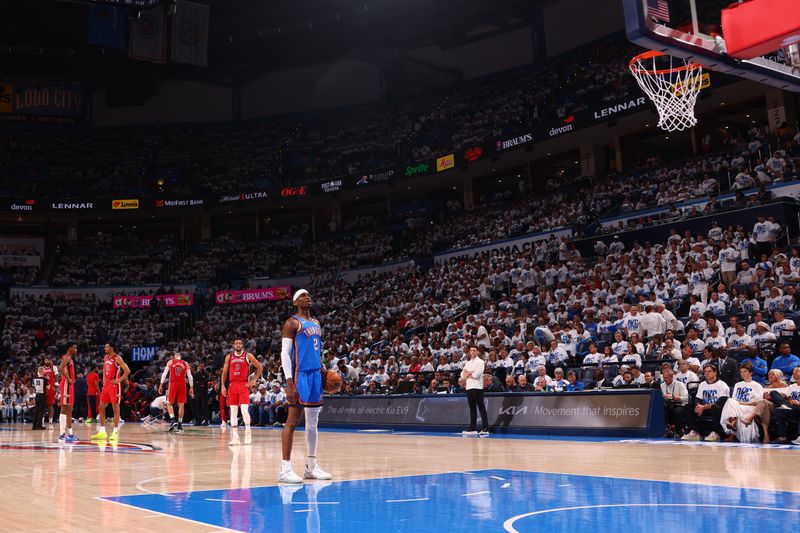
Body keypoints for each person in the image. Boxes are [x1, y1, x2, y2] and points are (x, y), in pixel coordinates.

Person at [280, 289, 332, 483]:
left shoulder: (317, 323)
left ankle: (311, 467)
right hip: (299, 375)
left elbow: (315, 348)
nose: (307, 297)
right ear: (295, 302)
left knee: (313, 422)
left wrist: (322, 366)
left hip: (315, 375)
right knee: (292, 421)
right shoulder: (292, 323)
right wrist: (289, 382)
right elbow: (285, 354)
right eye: (302, 295)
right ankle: (285, 469)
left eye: (309, 295)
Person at [222, 339, 263, 446]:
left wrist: (254, 380)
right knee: (233, 412)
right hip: (232, 385)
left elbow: (259, 367)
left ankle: (248, 431)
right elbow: (225, 372)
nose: (238, 345)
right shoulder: (229, 357)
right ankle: (235, 438)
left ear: (242, 345)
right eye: (236, 343)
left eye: (240, 343)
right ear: (233, 345)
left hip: (243, 384)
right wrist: (223, 386)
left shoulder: (248, 355)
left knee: (244, 410)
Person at [91, 342, 131, 442]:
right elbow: (105, 369)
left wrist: (119, 380)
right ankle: (102, 431)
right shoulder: (106, 357)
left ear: (112, 348)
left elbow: (127, 371)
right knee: (101, 407)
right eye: (104, 346)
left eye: (107, 347)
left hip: (114, 386)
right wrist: (104, 378)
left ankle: (115, 432)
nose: (105, 348)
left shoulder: (117, 358)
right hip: (106, 385)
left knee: (115, 408)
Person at [682, 364, 730, 441]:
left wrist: (704, 407)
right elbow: (697, 399)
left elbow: (721, 402)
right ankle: (695, 432)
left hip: (718, 410)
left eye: (709, 371)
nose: (707, 373)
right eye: (705, 372)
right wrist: (699, 407)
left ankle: (715, 433)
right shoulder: (702, 384)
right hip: (704, 408)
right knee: (688, 406)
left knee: (715, 407)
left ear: (715, 373)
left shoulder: (722, 384)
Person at [719, 362, 764, 442]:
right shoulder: (738, 385)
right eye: (741, 372)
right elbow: (733, 400)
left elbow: (759, 402)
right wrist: (738, 403)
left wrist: (744, 403)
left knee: (733, 405)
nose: (742, 374)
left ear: (751, 373)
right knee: (730, 401)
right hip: (737, 405)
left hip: (750, 407)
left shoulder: (757, 385)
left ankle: (732, 431)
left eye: (745, 371)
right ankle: (732, 422)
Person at [159, 352, 195, 433]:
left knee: (169, 403)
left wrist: (161, 384)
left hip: (173, 384)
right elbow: (190, 376)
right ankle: (180, 424)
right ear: (180, 357)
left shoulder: (171, 362)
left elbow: (164, 374)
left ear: (175, 357)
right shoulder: (185, 363)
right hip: (182, 384)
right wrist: (191, 387)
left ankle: (172, 420)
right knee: (181, 404)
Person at [461, 344, 490, 435]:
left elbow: (476, 375)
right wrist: (470, 373)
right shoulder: (468, 362)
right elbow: (462, 375)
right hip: (469, 387)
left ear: (477, 351)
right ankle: (472, 428)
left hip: (477, 387)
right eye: (471, 350)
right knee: (472, 408)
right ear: (469, 352)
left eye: (474, 350)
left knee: (481, 407)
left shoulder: (480, 362)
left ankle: (485, 428)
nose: (472, 352)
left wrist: (468, 374)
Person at [57, 344, 78, 443]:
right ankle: (62, 434)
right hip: (66, 384)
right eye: (74, 347)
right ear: (69, 348)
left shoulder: (69, 358)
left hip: (69, 385)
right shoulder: (67, 357)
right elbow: (60, 368)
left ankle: (70, 433)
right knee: (65, 408)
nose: (76, 349)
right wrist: (68, 378)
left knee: (69, 409)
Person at [660, 368, 688, 436]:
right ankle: (665, 430)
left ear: (672, 376)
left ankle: (679, 431)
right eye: (664, 378)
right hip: (668, 405)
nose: (665, 379)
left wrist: (675, 397)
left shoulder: (680, 384)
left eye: (666, 377)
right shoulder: (662, 386)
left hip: (681, 405)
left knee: (676, 412)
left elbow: (686, 398)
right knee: (660, 410)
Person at [31, 366, 47, 431]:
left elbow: (34, 386)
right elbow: (48, 387)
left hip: (37, 395)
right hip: (42, 396)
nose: (45, 371)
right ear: (42, 371)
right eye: (44, 370)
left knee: (36, 411)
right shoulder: (44, 379)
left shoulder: (34, 378)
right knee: (41, 411)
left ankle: (34, 426)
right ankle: (39, 425)